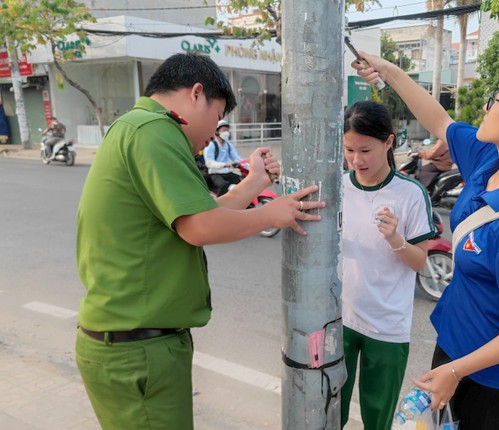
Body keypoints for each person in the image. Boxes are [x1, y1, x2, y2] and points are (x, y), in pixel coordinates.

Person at [75, 52, 325, 430]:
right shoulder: (153, 130)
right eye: (218, 116)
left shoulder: (138, 128)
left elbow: (202, 214)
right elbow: (200, 227)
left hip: (133, 343)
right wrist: (273, 213)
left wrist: (255, 184)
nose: (215, 132)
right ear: (196, 93)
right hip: (138, 350)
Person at [354, 54, 499, 429]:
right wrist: (390, 72)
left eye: (498, 99)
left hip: (490, 379)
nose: (487, 105)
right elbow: (440, 121)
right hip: (454, 347)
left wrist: (457, 371)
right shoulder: (488, 158)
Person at [340, 100, 437, 430]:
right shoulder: (340, 185)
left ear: (389, 142)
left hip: (386, 326)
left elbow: (420, 261)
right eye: (349, 150)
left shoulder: (410, 194)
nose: (356, 160)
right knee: (329, 410)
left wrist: (395, 238)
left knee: (377, 418)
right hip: (339, 320)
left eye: (365, 150)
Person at [203, 119, 243, 195]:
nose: (226, 133)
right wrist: (224, 164)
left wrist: (246, 163)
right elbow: (209, 163)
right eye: (224, 130)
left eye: (227, 130)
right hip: (215, 173)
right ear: (217, 131)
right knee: (223, 186)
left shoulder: (229, 145)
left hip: (228, 172)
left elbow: (236, 158)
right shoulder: (211, 145)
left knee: (242, 183)